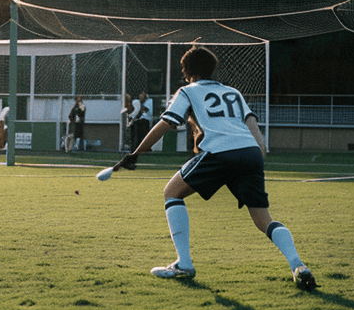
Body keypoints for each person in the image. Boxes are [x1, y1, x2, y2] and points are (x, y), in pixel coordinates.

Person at [112, 45, 316, 290]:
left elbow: (166, 123)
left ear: (187, 72)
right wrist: (259, 152)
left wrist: (135, 153)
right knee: (264, 220)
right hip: (250, 152)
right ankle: (299, 266)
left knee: (172, 193)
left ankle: (184, 263)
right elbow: (251, 122)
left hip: (220, 151)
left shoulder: (187, 91)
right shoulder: (233, 92)